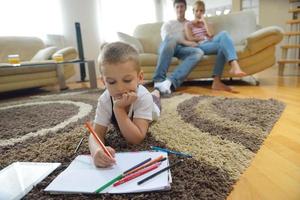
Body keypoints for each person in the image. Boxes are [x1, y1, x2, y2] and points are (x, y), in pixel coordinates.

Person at [89, 42, 161, 167]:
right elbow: (96, 134)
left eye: (127, 80)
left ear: (140, 77)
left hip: (152, 109)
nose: (120, 88)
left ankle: (156, 93)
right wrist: (96, 151)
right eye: (111, 82)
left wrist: (119, 109)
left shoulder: (143, 97)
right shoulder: (105, 100)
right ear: (103, 81)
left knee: (154, 100)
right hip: (129, 112)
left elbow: (136, 139)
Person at [184, 0, 247, 92]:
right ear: (193, 11)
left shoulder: (208, 23)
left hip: (211, 41)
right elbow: (190, 38)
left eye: (201, 11)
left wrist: (204, 22)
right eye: (197, 10)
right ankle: (233, 66)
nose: (199, 13)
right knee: (222, 46)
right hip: (201, 45)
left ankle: (217, 82)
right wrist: (201, 37)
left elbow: (211, 34)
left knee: (224, 34)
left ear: (204, 12)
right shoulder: (188, 24)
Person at [153, 0, 204, 95]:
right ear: (174, 9)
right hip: (168, 47)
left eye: (182, 6)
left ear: (185, 8)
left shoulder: (190, 24)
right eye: (177, 7)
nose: (180, 9)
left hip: (182, 49)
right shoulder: (168, 23)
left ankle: (169, 82)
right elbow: (167, 39)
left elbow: (195, 37)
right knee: (171, 39)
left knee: (199, 52)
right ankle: (158, 80)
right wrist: (185, 41)